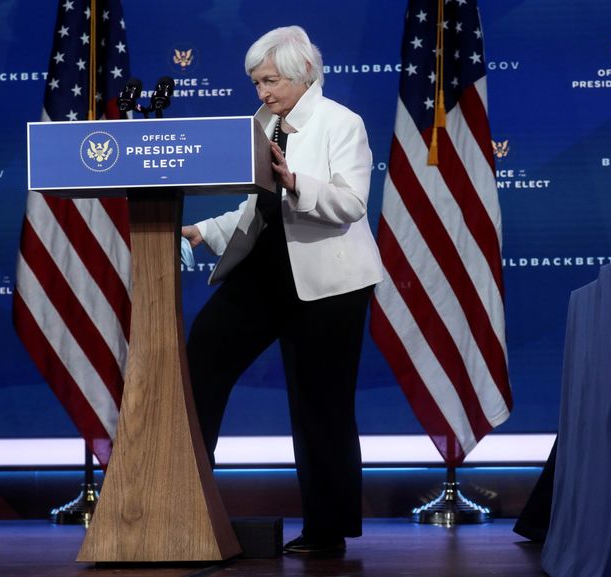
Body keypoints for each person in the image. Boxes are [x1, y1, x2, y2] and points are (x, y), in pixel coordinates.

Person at [182, 25, 383, 555]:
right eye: (255, 83)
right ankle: (182, 501)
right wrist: (206, 232)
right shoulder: (263, 122)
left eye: (269, 81)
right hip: (263, 273)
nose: (262, 92)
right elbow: (258, 209)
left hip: (329, 283)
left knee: (321, 404)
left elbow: (351, 203)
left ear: (304, 74)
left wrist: (296, 181)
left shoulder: (342, 122)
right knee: (200, 359)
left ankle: (327, 531)